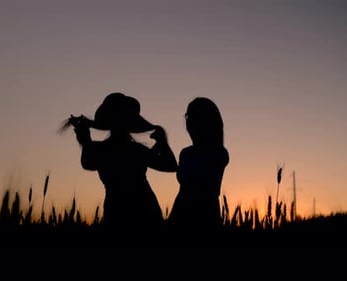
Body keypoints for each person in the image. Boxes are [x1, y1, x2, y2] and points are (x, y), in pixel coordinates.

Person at [63, 92, 177, 238]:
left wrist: (85, 140)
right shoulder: (137, 150)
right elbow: (170, 165)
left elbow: (87, 163)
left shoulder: (101, 150)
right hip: (146, 211)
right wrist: (162, 142)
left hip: (116, 211)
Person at [168, 97, 229, 237]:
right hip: (181, 216)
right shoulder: (186, 153)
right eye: (187, 116)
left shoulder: (218, 153)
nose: (188, 121)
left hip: (204, 218)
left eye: (192, 116)